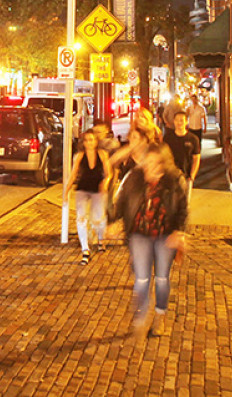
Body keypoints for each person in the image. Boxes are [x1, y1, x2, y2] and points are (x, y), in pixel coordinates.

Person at [115, 143, 188, 338]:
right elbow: (122, 202)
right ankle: (140, 314)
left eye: (156, 163)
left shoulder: (173, 181)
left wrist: (179, 232)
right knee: (141, 278)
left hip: (165, 235)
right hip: (139, 233)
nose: (151, 167)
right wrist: (112, 220)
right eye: (148, 162)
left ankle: (160, 315)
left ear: (164, 164)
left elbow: (182, 209)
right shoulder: (134, 178)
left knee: (162, 278)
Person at [64, 129, 112, 265]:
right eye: (86, 140)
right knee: (81, 218)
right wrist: (66, 190)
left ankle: (101, 240)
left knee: (99, 218)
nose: (89, 143)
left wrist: (105, 183)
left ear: (96, 141)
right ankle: (85, 250)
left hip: (97, 189)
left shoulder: (102, 154)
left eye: (91, 140)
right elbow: (73, 174)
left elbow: (109, 173)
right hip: (83, 189)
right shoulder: (79, 156)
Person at [165, 110, 201, 202]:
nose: (179, 123)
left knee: (184, 203)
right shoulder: (168, 138)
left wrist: (192, 176)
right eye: (177, 120)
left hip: (186, 176)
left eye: (182, 120)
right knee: (170, 202)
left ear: (186, 122)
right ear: (173, 121)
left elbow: (196, 158)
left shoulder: (193, 139)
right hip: (170, 175)